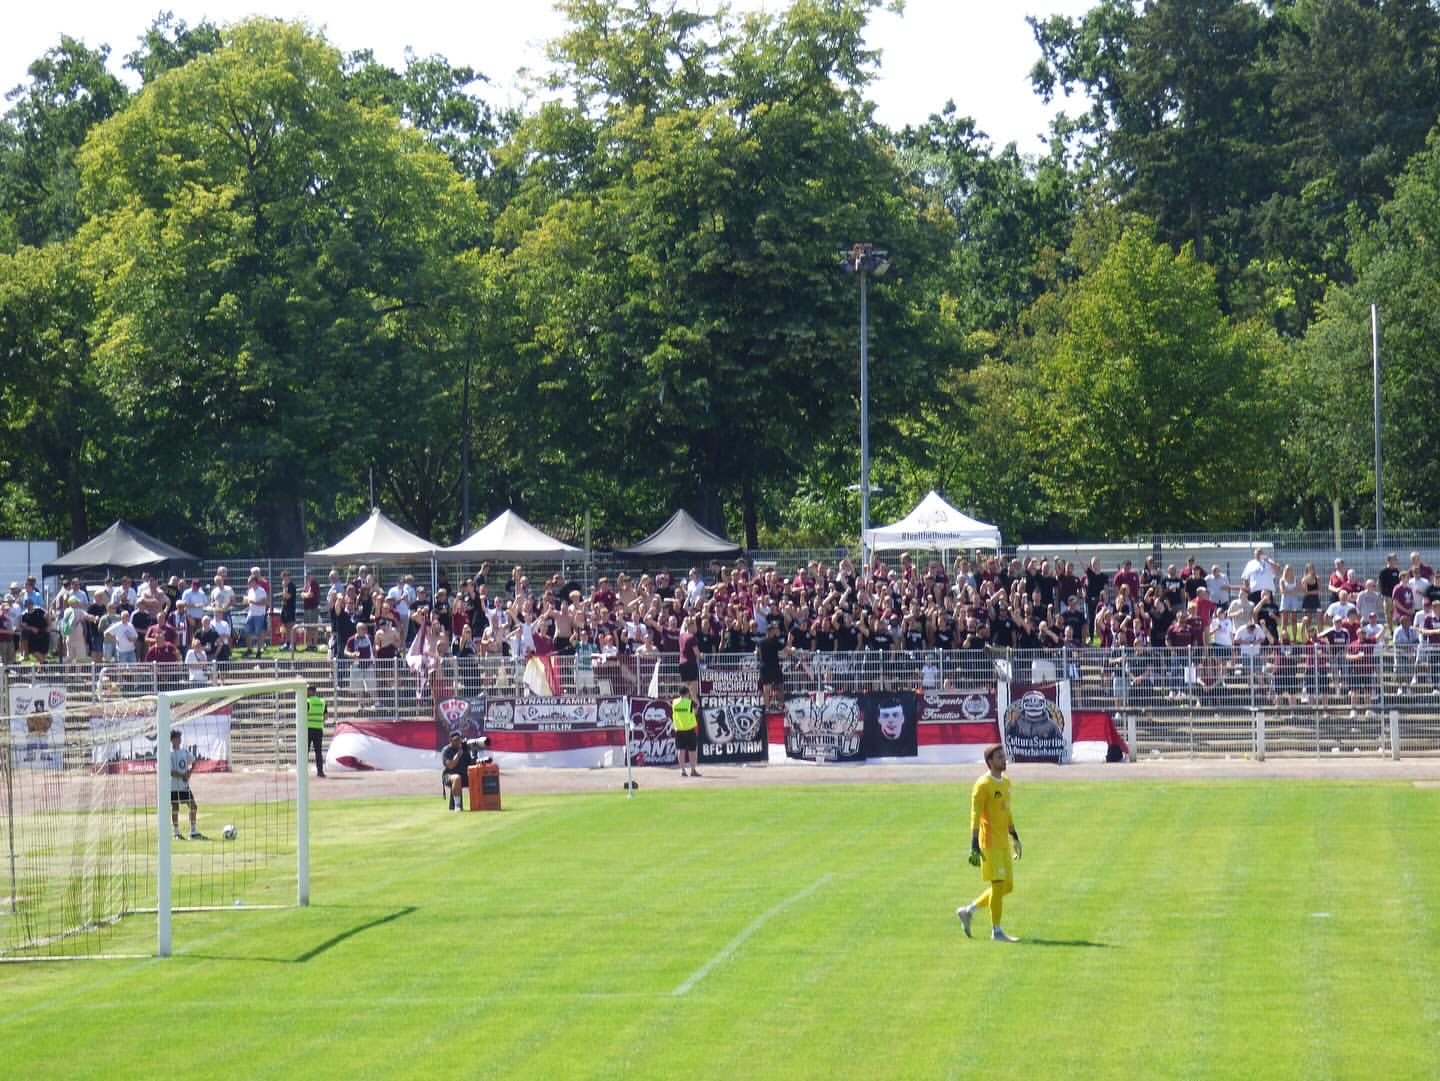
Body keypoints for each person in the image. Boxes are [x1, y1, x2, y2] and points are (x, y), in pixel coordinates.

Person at [956, 743, 1022, 943]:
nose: (1004, 760)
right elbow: (975, 815)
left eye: (1004, 756)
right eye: (1000, 757)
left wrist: (1015, 836)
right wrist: (974, 843)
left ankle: (969, 910)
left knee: (1006, 887)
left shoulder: (1006, 782)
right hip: (989, 843)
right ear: (990, 762)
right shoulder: (982, 785)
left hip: (1002, 842)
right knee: (998, 883)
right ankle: (997, 931)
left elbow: (1006, 811)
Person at [169, 729, 202, 840]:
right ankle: (177, 833)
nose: (179, 740)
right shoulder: (169, 754)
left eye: (180, 738)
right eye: (177, 738)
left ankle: (193, 831)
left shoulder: (184, 752)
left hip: (184, 786)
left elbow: (194, 761)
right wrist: (183, 775)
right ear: (172, 740)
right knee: (175, 807)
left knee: (193, 806)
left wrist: (189, 772)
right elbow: (170, 771)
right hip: (173, 786)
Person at [672, 685, 701, 777]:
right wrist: (692, 696)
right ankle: (693, 770)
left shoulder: (674, 702)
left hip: (679, 729)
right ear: (687, 693)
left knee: (681, 750)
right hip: (689, 729)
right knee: (692, 751)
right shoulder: (690, 703)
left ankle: (683, 771)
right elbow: (697, 708)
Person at [441, 729, 475, 811]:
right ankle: (458, 805)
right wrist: (458, 755)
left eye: (459, 739)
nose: (458, 741)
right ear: (450, 740)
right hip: (449, 775)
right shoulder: (446, 750)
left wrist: (474, 754)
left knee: (477, 777)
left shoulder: (465, 750)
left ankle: (478, 804)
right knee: (457, 778)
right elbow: (450, 766)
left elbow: (471, 765)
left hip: (463, 774)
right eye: (456, 740)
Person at [306, 683, 327, 777]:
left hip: (308, 729)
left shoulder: (307, 701)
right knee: (318, 751)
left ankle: (303, 772)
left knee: (305, 751)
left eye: (307, 690)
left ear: (310, 691)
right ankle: (320, 771)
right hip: (319, 729)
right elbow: (326, 717)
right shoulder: (322, 701)